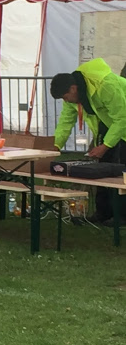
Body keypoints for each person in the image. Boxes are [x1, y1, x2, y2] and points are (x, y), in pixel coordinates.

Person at [50, 57, 126, 225]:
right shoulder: (73, 96)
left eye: (65, 96)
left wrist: (105, 146)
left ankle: (122, 215)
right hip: (108, 124)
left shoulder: (105, 85)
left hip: (121, 120)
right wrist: (55, 146)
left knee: (122, 171)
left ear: (73, 88)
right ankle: (103, 212)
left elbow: (122, 118)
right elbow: (65, 121)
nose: (66, 101)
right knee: (101, 169)